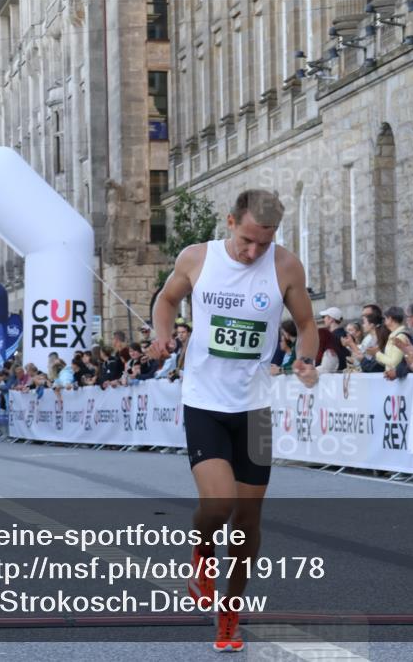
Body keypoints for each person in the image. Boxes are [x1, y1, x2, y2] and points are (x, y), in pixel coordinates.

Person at [149, 188, 318, 653]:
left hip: (255, 408)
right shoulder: (196, 258)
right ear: (230, 222)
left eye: (264, 243)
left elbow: (307, 324)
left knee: (246, 521)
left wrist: (305, 360)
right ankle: (202, 554)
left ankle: (230, 612)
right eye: (246, 240)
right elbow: (166, 300)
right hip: (205, 401)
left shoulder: (286, 266)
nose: (253, 252)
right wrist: (162, 336)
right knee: (218, 503)